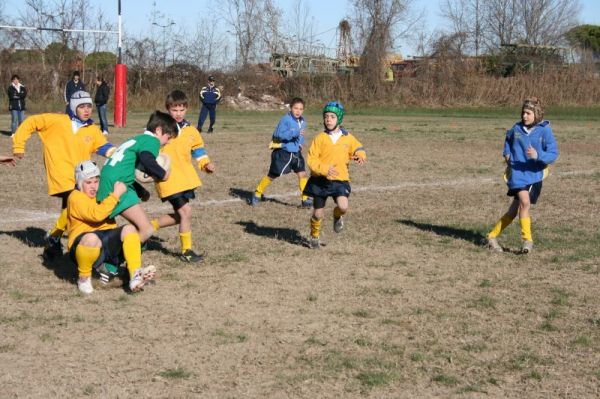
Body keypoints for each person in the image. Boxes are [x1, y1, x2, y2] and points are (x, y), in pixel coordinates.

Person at [12, 90, 116, 260]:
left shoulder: (92, 129)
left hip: (82, 178)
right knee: (73, 207)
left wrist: (119, 154)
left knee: (69, 210)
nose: (87, 110)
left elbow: (104, 147)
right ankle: (64, 242)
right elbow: (30, 122)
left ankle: (53, 242)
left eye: (89, 106)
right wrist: (18, 146)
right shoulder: (56, 121)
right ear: (74, 108)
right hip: (62, 175)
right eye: (82, 107)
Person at [67, 160, 156, 294]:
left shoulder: (101, 193)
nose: (93, 186)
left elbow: (121, 178)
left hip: (105, 240)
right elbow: (96, 215)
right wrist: (115, 194)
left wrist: (140, 190)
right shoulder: (75, 197)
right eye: (88, 182)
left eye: (96, 181)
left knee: (130, 229)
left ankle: (135, 275)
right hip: (82, 245)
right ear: (80, 183)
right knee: (91, 238)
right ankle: (84, 278)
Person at [149, 90, 215, 263]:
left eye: (181, 110)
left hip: (185, 179)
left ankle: (148, 228)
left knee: (180, 216)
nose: (178, 114)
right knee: (186, 211)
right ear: (167, 109)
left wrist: (205, 164)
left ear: (186, 109)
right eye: (174, 110)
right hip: (168, 179)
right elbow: (147, 145)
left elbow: (198, 150)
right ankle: (187, 251)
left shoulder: (191, 130)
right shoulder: (160, 127)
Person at [486, 97, 559, 254]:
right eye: (523, 113)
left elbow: (553, 153)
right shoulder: (516, 128)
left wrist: (538, 155)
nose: (524, 116)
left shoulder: (545, 130)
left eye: (528, 113)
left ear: (536, 114)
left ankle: (491, 237)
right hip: (517, 173)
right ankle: (528, 240)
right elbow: (508, 141)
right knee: (525, 203)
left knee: (514, 210)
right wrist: (507, 154)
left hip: (534, 174)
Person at [96, 110, 177, 244]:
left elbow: (123, 170)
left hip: (107, 181)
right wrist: (163, 174)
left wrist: (140, 190)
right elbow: (147, 159)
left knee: (109, 231)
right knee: (146, 229)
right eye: (168, 137)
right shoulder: (152, 141)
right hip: (117, 187)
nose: (167, 142)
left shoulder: (136, 139)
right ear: (158, 131)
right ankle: (119, 255)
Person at [303, 101, 366, 249]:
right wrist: (324, 169)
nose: (328, 119)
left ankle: (337, 216)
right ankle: (314, 236)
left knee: (343, 206)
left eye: (332, 116)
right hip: (320, 181)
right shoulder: (320, 138)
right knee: (318, 214)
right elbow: (311, 159)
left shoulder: (347, 137)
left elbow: (358, 147)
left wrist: (360, 154)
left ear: (339, 119)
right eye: (326, 116)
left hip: (340, 180)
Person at [251, 97, 312, 208]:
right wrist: (294, 133)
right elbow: (278, 135)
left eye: (301, 109)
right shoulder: (285, 120)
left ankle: (305, 199)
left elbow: (301, 136)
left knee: (302, 174)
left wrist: (300, 144)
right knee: (272, 175)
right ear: (290, 108)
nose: (298, 111)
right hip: (283, 153)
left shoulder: (303, 122)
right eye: (295, 108)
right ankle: (257, 193)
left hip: (296, 153)